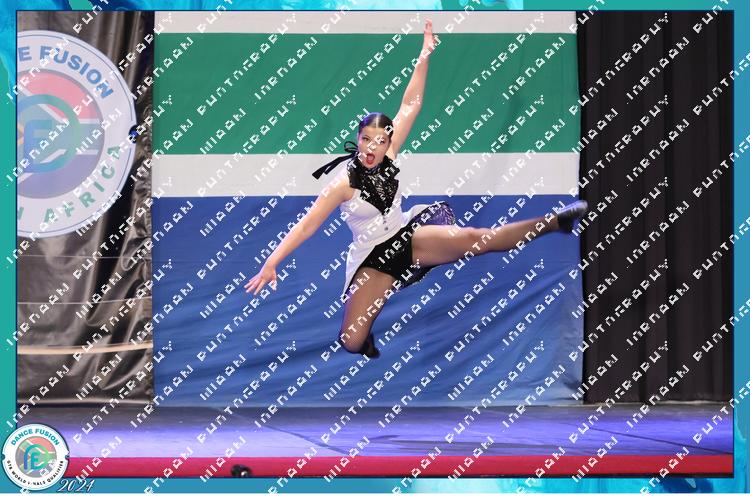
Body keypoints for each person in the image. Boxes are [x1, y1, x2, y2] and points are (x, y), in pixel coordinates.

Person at [245, 19, 588, 359]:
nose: (371, 147)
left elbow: (411, 104)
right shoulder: (343, 184)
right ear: (358, 139)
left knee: (478, 239)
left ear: (387, 143)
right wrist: (271, 263)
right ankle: (363, 340)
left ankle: (554, 221)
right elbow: (306, 226)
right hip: (372, 259)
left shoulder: (391, 153)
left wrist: (424, 55)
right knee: (351, 340)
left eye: (379, 141)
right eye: (365, 139)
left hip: (406, 238)